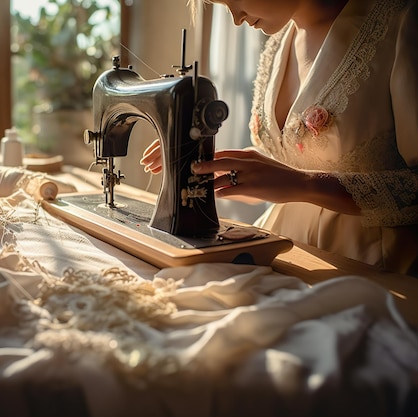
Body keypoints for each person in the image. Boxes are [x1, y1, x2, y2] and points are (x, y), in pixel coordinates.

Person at [140, 0, 418, 276]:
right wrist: (212, 164)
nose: (236, 18)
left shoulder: (400, 23)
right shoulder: (280, 40)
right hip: (286, 251)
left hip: (370, 268)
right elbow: (288, 160)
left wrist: (305, 185)